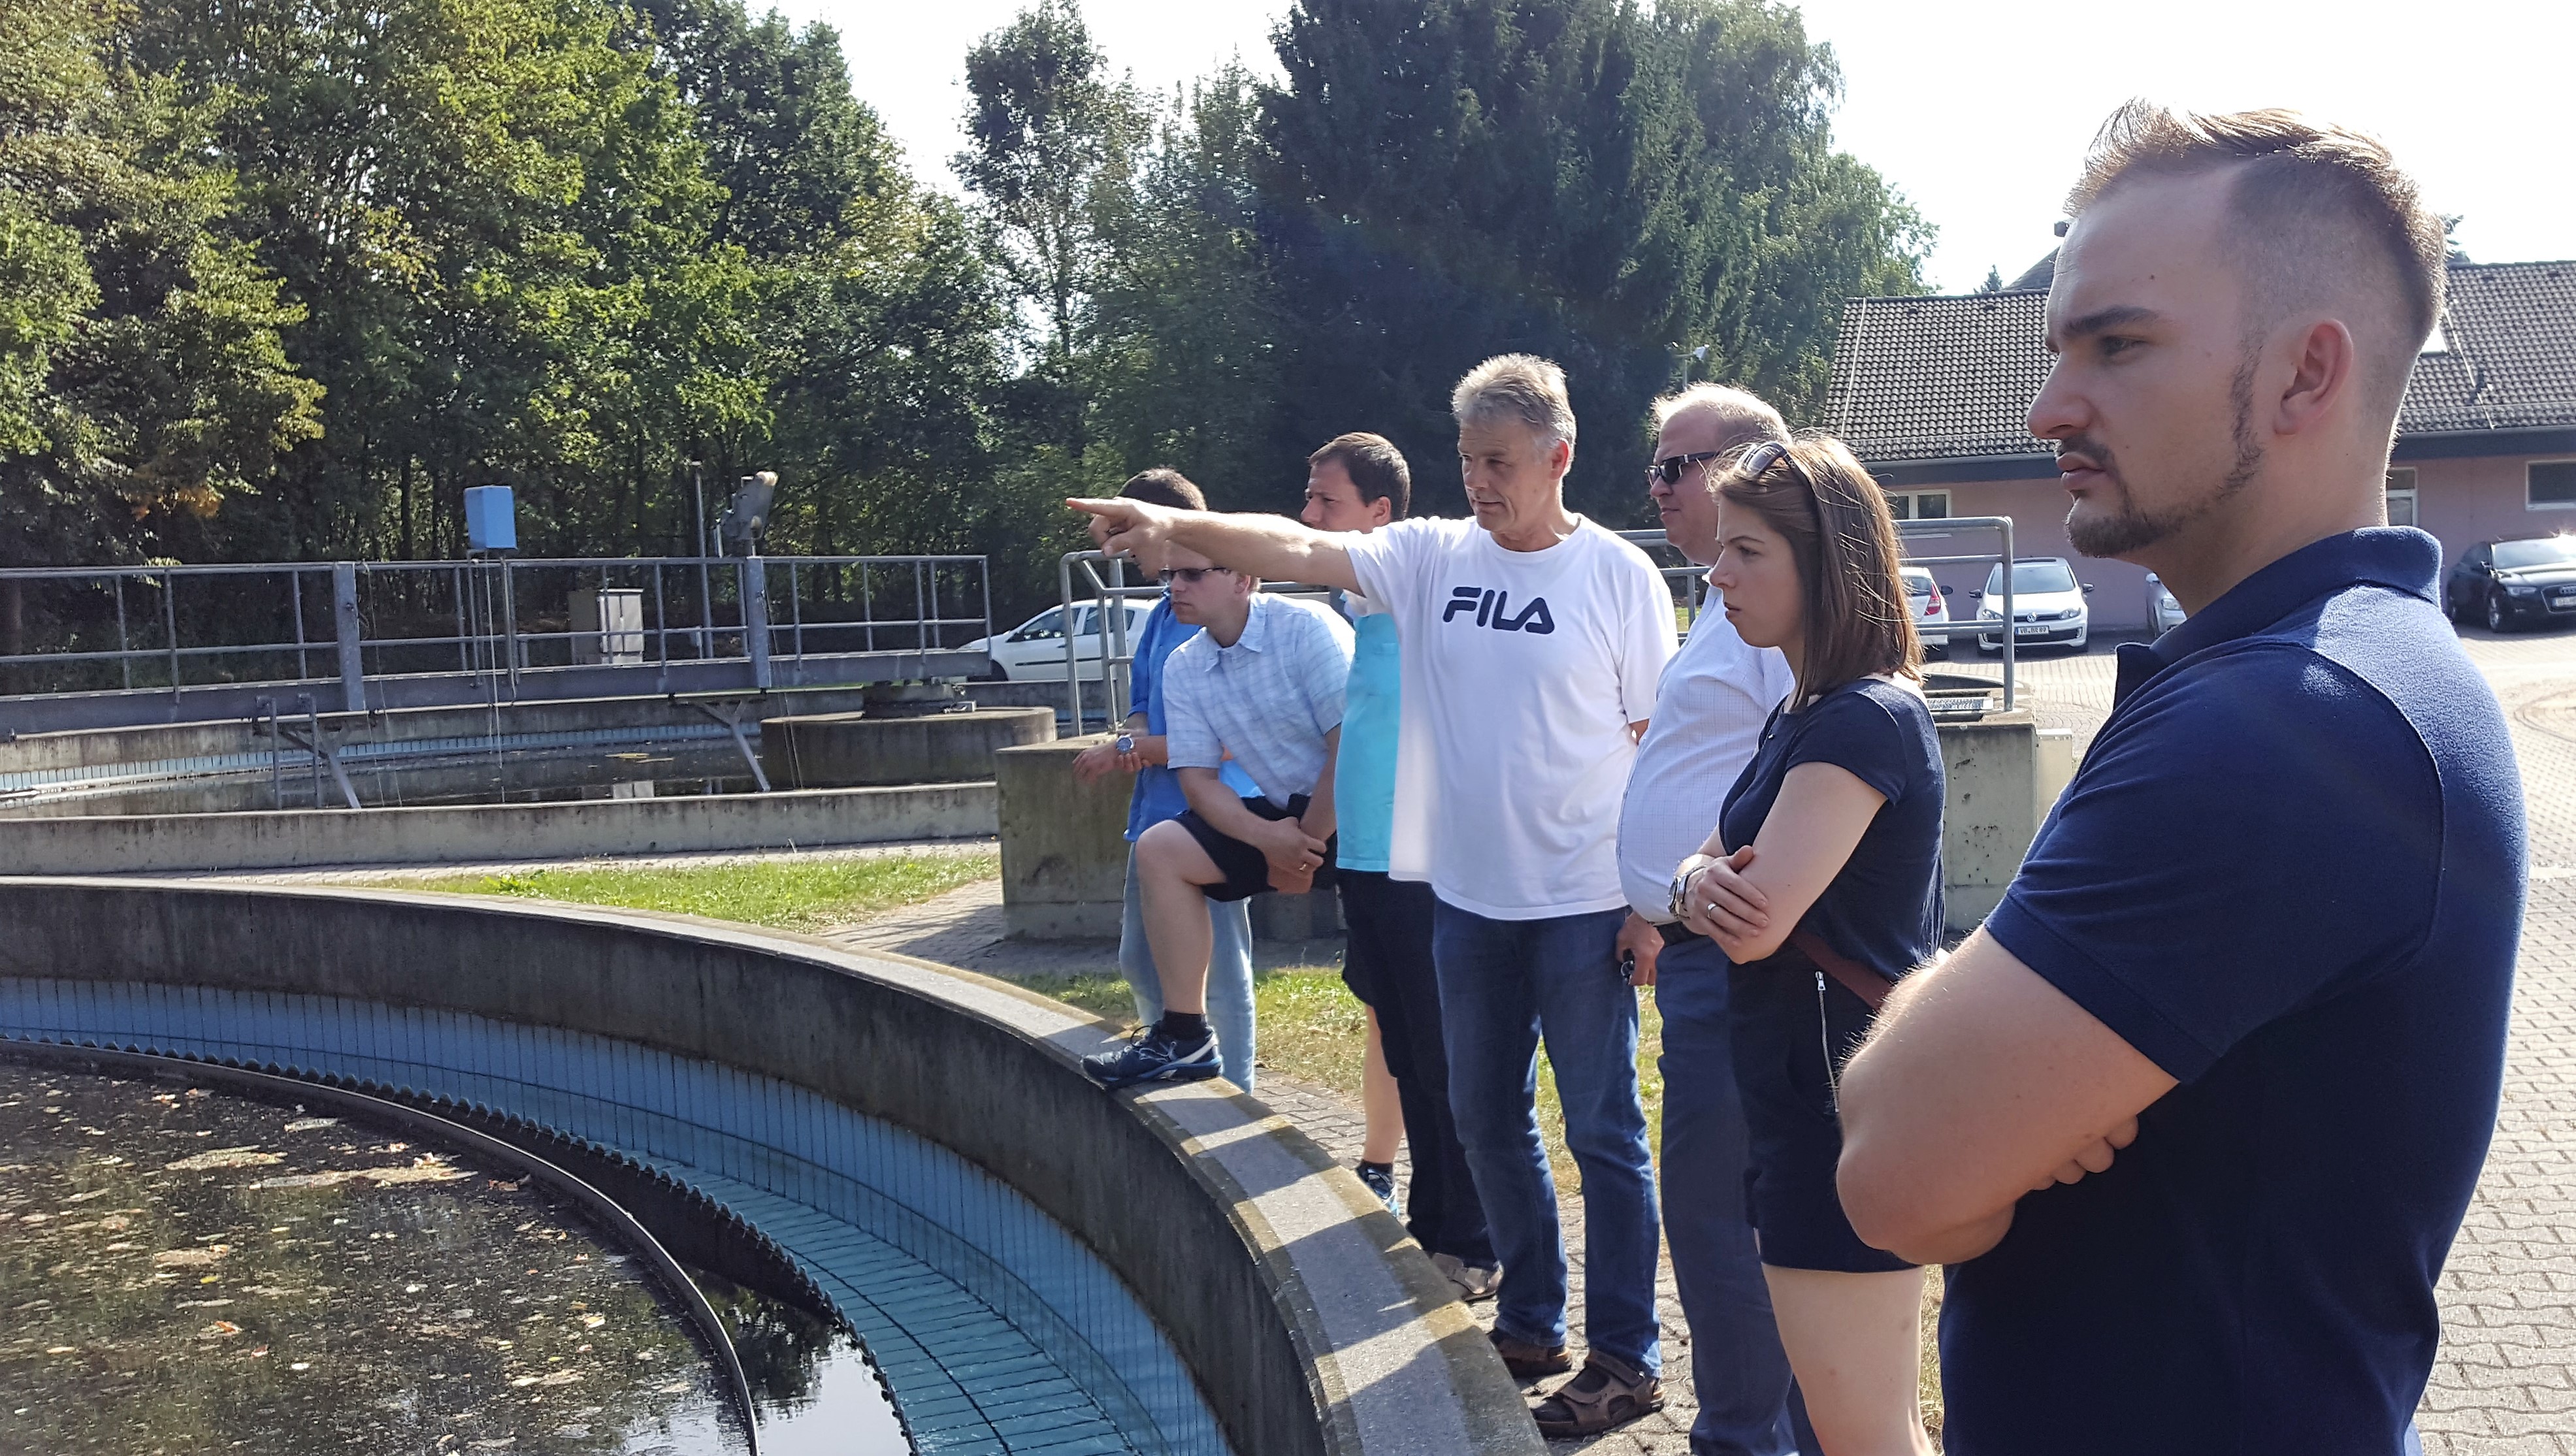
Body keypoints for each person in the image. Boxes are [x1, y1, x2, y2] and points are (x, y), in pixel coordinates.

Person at [1834, 104, 2524, 1456]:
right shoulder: (2344, 670)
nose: (2048, 407)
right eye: (2057, 349)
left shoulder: (2292, 723)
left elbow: (1893, 1176)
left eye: (2118, 343)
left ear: (2303, 375)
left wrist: (1972, 1078)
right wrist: (1976, 1066)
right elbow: (1908, 1120)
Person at [1072, 354, 1676, 1436]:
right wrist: (1174, 533)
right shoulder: (1431, 555)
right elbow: (1301, 544)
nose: (1480, 480)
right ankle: (1532, 1319)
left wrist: (1644, 899)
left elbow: (1653, 743)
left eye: (1500, 462)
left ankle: (1624, 1353)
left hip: (1584, 897)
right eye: (1467, 460)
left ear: (1559, 457)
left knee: (1603, 1130)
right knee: (1487, 1121)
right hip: (1469, 900)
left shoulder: (1617, 576)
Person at [1673, 433, 1944, 1456]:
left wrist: (1703, 887)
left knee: (1863, 1432)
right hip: (1804, 1099)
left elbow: (1750, 926)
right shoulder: (1802, 713)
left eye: (1746, 550)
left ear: (1824, 565)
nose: (1716, 573)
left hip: (1836, 1111)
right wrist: (1697, 883)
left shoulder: (1859, 721)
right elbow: (1696, 874)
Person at [1612, 385, 1804, 1456]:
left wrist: (1687, 898)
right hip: (1700, 950)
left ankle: (1745, 1439)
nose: (1655, 482)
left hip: (1739, 961)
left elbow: (1820, 777)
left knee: (1727, 1227)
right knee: (1733, 1221)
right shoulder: (1723, 600)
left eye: (1677, 464)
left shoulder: (1778, 618)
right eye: (1657, 462)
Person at [1299, 430, 1499, 1301]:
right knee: (1407, 1054)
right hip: (1367, 861)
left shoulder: (1424, 594)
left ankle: (1479, 1239)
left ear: (1380, 517)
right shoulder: (1358, 614)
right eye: (1308, 502)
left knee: (1445, 1053)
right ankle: (1434, 1226)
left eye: (1325, 504)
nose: (1308, 520)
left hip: (1424, 863)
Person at [1082, 545, 1354, 1087]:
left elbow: (1351, 750)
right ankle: (1185, 1038)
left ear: (1244, 578)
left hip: (1369, 813)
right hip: (1287, 820)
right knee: (1161, 848)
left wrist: (1303, 848)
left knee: (1389, 996)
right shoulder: (1184, 664)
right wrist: (1267, 839)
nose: (1173, 587)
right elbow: (1199, 783)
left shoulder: (1306, 627)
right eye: (1168, 575)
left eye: (1190, 574)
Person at [1070, 470, 1264, 1091]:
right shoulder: (1162, 613)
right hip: (1157, 813)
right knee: (1142, 959)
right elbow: (1143, 702)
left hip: (1214, 813)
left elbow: (1225, 736)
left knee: (1222, 968)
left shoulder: (1212, 609)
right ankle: (1173, 1063)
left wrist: (1126, 748)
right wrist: (1131, 737)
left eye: (1122, 532)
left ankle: (1231, 1093)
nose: (1111, 548)